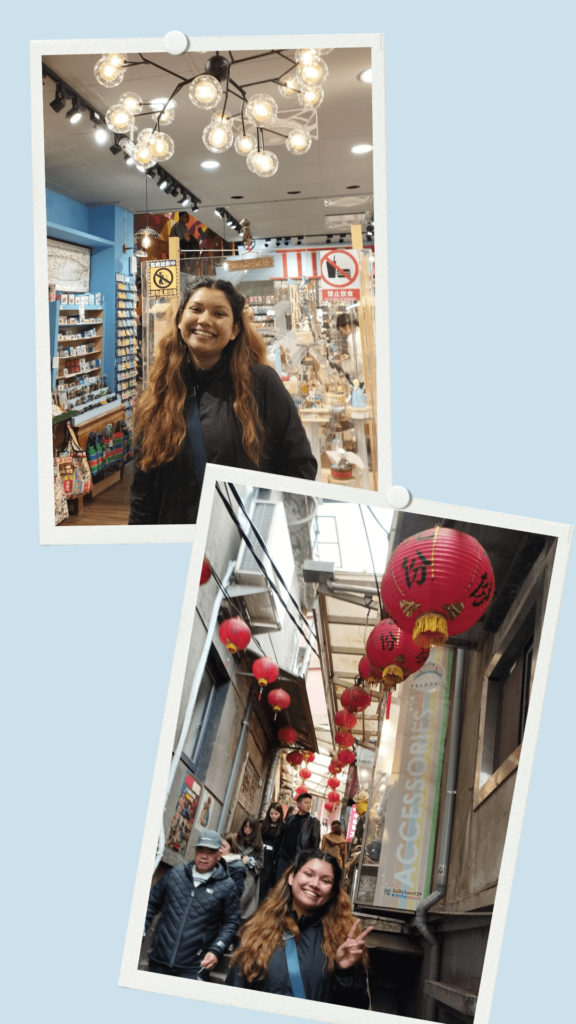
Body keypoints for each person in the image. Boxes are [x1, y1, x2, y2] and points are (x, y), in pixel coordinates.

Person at [129, 277, 317, 524]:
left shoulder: (261, 384)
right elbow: (143, 491)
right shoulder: (158, 394)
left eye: (219, 313)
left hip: (242, 544)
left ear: (235, 329)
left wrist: (271, 529)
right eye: (195, 309)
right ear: (179, 320)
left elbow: (299, 468)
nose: (204, 320)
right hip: (179, 546)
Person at [225, 849, 371, 1005]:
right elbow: (234, 991)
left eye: (325, 881)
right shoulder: (258, 929)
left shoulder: (341, 938)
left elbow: (357, 1008)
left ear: (332, 892)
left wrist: (345, 973)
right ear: (291, 877)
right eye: (308, 874)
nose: (315, 884)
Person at [144, 829, 239, 980]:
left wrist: (216, 950)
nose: (204, 856)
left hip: (194, 967)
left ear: (220, 854)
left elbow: (231, 922)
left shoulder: (228, 886)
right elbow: (150, 903)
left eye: (211, 851)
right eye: (201, 850)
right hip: (159, 960)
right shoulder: (174, 875)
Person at [275, 792, 321, 881]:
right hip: (283, 858)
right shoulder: (290, 819)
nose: (309, 805)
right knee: (278, 883)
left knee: (293, 886)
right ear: (298, 804)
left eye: (310, 803)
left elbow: (315, 844)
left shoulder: (314, 822)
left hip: (299, 860)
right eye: (306, 802)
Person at [236, 815, 265, 922]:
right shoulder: (237, 839)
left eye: (250, 828)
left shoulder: (259, 845)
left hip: (248, 877)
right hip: (235, 873)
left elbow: (261, 864)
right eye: (245, 827)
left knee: (242, 903)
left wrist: (251, 862)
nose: (247, 830)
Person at [259, 802, 285, 904]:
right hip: (260, 855)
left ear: (280, 814)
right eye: (271, 813)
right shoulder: (263, 824)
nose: (273, 816)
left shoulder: (283, 828)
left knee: (265, 883)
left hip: (271, 859)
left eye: (276, 814)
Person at [220, 833, 246, 901]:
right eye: (219, 845)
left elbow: (237, 892)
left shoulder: (238, 867)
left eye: (224, 846)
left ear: (231, 848)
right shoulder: (214, 860)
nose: (220, 849)